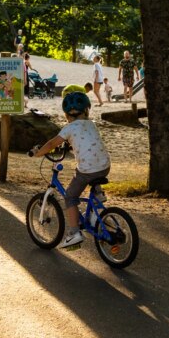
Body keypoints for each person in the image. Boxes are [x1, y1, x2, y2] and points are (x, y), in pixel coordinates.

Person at [29, 91, 110, 249]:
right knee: (92, 168)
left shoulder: (69, 128)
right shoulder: (91, 123)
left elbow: (52, 144)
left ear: (66, 114)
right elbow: (85, 140)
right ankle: (98, 196)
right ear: (87, 110)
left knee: (71, 196)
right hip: (105, 166)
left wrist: (38, 152)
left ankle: (74, 233)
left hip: (88, 170)